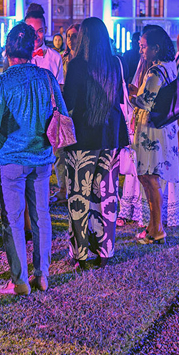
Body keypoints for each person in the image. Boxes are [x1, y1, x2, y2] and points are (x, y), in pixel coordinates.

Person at [0, 22, 65, 293]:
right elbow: (61, 111)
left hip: (11, 157)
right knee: (41, 215)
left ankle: (20, 278)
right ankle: (43, 273)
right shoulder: (46, 77)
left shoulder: (1, 82)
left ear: (7, 51)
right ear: (32, 49)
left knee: (13, 218)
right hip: (41, 155)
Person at [61, 17, 129, 269]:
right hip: (109, 137)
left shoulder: (78, 64)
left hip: (82, 137)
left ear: (84, 38)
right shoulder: (115, 63)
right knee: (106, 195)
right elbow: (119, 98)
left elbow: (69, 102)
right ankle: (105, 250)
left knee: (79, 196)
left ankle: (80, 254)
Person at [129, 26, 179, 245]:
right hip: (164, 128)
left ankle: (157, 228)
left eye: (143, 46)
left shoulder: (156, 71)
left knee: (150, 178)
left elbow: (144, 102)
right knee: (150, 177)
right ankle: (152, 225)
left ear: (156, 48)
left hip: (152, 131)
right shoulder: (170, 66)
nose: (141, 51)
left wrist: (130, 94)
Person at [25, 3, 66, 202]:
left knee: (48, 160)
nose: (36, 36)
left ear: (46, 31)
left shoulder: (54, 57)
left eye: (40, 31)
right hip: (24, 118)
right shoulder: (16, 57)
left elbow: (60, 90)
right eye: (31, 31)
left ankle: (49, 195)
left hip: (48, 115)